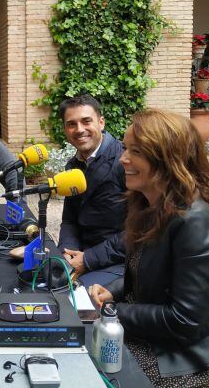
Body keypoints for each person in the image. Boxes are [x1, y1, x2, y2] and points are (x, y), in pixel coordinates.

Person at [90, 109, 209, 386]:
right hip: (154, 338)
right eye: (125, 148)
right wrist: (111, 293)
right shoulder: (148, 205)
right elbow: (144, 274)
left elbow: (185, 320)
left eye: (135, 151)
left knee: (93, 373)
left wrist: (115, 312)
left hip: (188, 360)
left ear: (166, 159)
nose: (123, 159)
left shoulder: (194, 222)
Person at [56, 95, 126, 287]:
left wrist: (88, 260)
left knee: (74, 300)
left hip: (119, 261)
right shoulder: (73, 166)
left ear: (101, 122)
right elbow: (70, 219)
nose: (79, 130)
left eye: (86, 121)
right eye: (71, 124)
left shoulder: (125, 163)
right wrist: (66, 252)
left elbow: (140, 231)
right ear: (65, 130)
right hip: (82, 256)